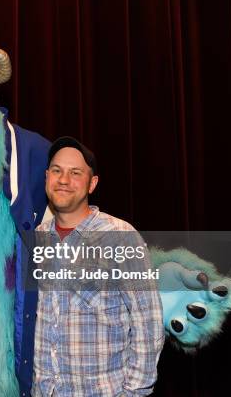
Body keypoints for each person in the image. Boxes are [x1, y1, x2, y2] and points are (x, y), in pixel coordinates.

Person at [31, 137, 165, 396]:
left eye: (75, 173)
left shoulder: (120, 236)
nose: (64, 180)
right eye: (57, 171)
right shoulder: (36, 237)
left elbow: (148, 323)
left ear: (92, 184)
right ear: (47, 177)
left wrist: (134, 392)